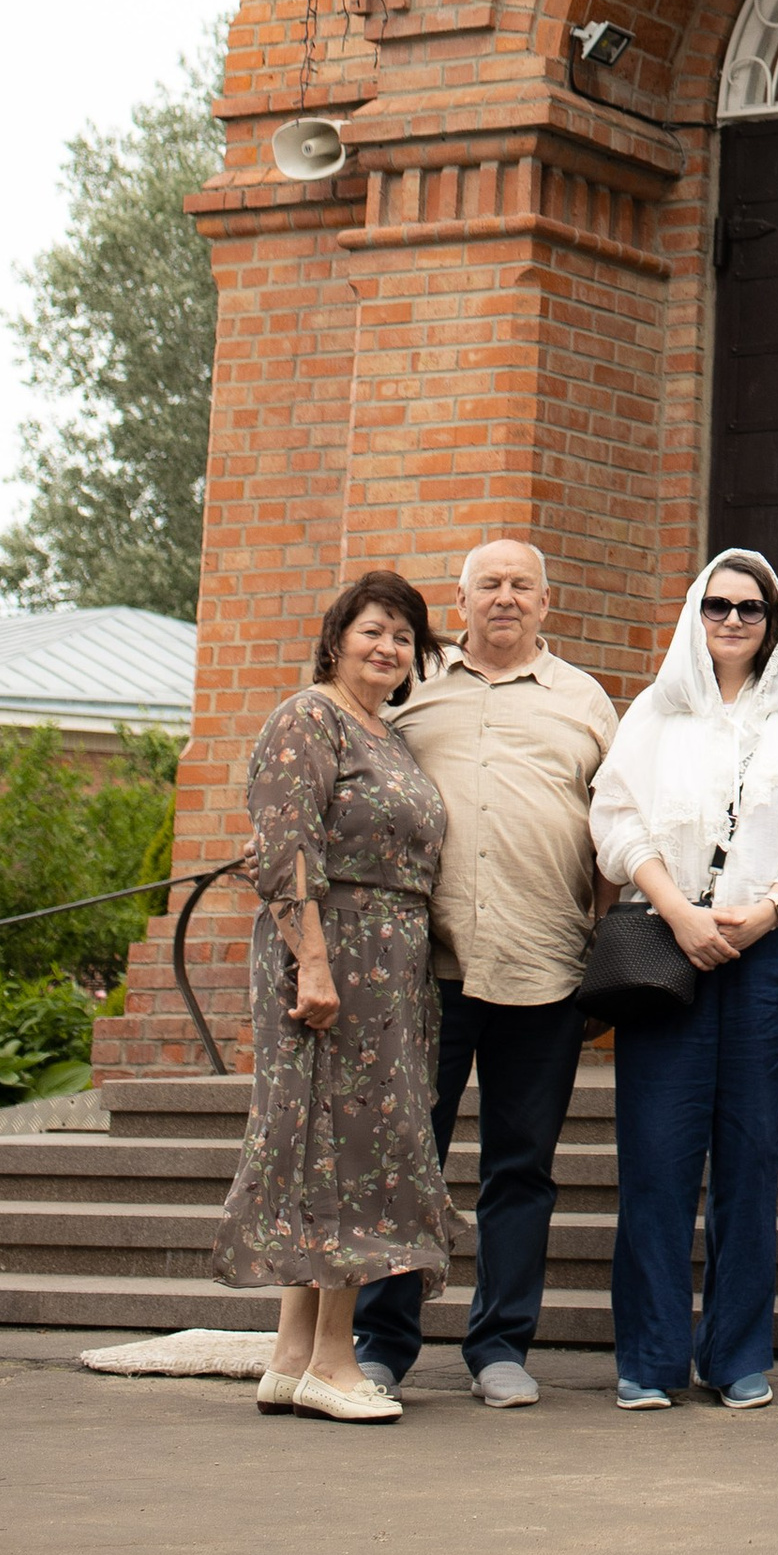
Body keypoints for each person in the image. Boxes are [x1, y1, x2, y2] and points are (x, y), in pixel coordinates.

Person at [352, 536, 617, 1409]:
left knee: (521, 1167)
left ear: (547, 602)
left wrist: (609, 936)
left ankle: (501, 1345)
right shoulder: (409, 691)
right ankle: (381, 1341)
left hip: (544, 965)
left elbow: (619, 823)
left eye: (521, 586)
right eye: (488, 585)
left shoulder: (586, 700)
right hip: (423, 971)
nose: (505, 598)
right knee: (404, 1158)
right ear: (459, 601)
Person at [590, 549, 778, 1409]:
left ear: (774, 623)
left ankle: (738, 1355)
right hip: (669, 943)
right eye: (718, 606)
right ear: (694, 616)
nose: (734, 621)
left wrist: (773, 906)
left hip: (764, 949)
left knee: (749, 1155)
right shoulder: (655, 716)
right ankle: (650, 1357)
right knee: (658, 1157)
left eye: (752, 608)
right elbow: (615, 819)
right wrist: (677, 910)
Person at [213, 570, 453, 1425]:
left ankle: (288, 1358)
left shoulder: (383, 734)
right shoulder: (305, 719)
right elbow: (284, 851)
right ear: (336, 638)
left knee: (349, 1139)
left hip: (391, 964)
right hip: (333, 957)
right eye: (372, 631)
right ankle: (333, 1362)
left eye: (402, 637)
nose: (386, 648)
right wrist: (313, 965)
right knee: (346, 1149)